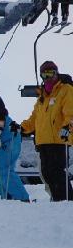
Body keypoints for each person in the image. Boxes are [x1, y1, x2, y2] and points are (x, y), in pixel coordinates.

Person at [20, 61, 73, 201]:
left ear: (57, 73)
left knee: (57, 172)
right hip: (43, 141)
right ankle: (57, 200)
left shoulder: (65, 90)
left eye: (51, 73)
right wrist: (22, 128)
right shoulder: (42, 96)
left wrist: (68, 127)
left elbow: (71, 112)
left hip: (59, 139)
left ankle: (66, 201)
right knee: (47, 173)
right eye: (45, 74)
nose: (48, 77)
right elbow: (35, 118)